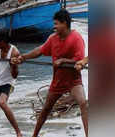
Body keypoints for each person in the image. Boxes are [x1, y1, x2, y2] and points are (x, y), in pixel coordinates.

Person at [12, 9, 88, 137]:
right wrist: (23, 57)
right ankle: (34, 135)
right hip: (58, 81)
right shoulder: (53, 38)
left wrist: (63, 60)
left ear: (65, 23)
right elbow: (39, 51)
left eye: (56, 24)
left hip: (73, 81)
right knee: (46, 109)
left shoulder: (76, 38)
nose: (54, 27)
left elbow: (79, 62)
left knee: (83, 103)